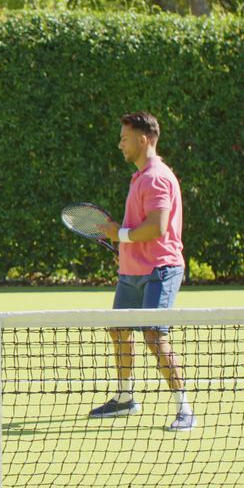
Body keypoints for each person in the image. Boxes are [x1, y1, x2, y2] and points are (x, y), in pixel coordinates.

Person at [91, 111, 194, 432]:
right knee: (119, 330)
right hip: (132, 270)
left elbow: (158, 227)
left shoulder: (156, 177)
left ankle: (184, 409)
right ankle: (125, 398)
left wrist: (118, 234)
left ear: (143, 139)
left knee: (153, 335)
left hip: (160, 269)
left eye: (124, 138)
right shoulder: (139, 176)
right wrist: (124, 243)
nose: (120, 143)